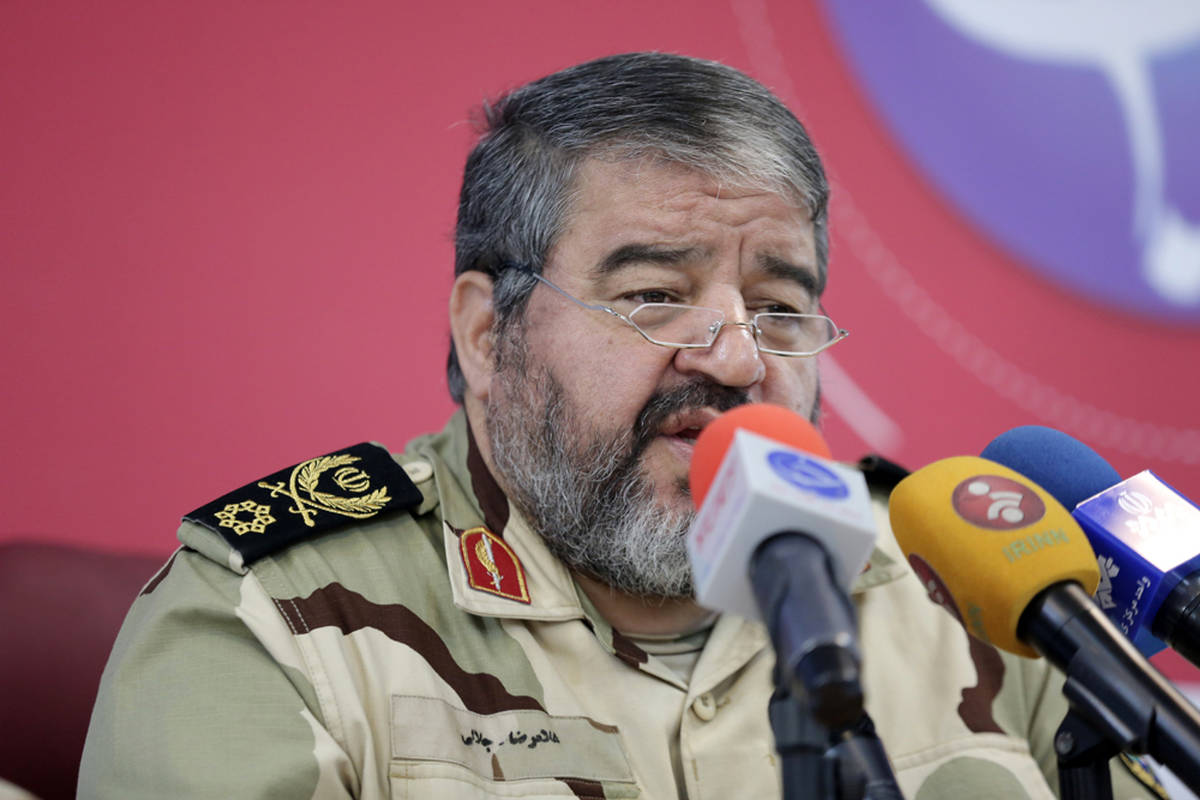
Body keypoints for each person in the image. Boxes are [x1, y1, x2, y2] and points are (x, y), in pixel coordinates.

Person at [79, 52, 1164, 799]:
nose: (736, 357)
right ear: (487, 334)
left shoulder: (979, 589)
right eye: (653, 294)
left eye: (780, 305)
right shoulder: (274, 618)